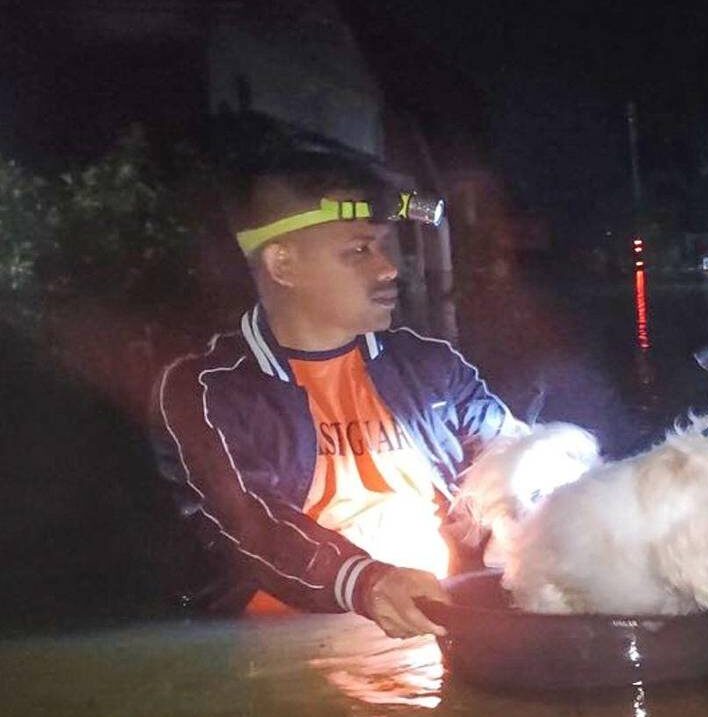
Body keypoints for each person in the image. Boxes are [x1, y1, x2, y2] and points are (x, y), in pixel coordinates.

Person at [155, 150, 521, 638]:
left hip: (441, 626)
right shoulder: (207, 390)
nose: (390, 269)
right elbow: (249, 525)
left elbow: (514, 456)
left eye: (387, 247)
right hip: (290, 657)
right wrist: (365, 583)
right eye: (359, 251)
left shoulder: (429, 365)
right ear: (284, 263)